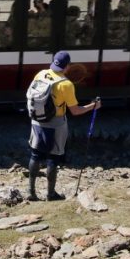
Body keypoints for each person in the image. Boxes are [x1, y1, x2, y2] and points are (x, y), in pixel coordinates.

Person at [26, 50, 101, 201]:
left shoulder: (41, 74)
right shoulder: (66, 84)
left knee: (35, 155)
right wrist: (93, 106)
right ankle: (50, 194)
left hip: (37, 120)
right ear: (67, 66)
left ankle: (31, 192)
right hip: (56, 123)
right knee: (53, 157)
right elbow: (75, 111)